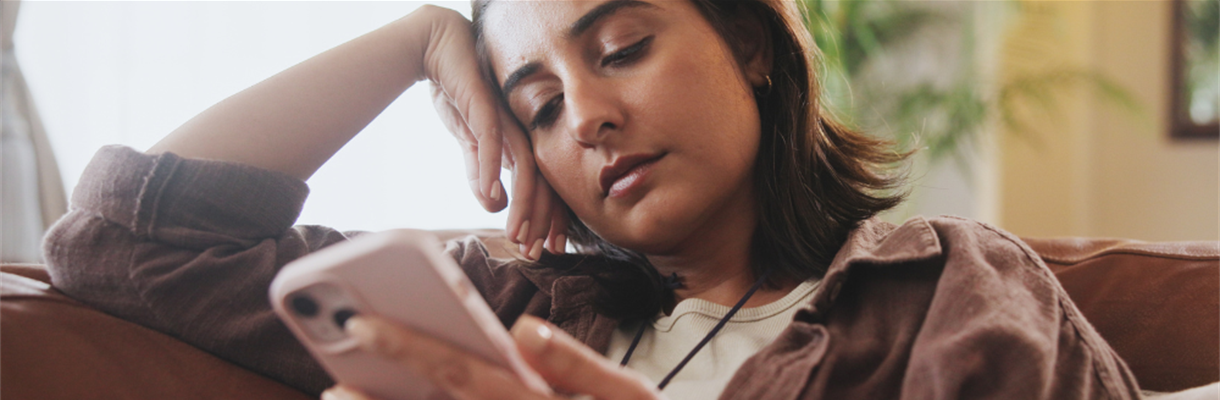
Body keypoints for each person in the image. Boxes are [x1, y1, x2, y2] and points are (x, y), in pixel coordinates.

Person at [43, 1, 1144, 399]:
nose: (587, 116)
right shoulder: (497, 313)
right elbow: (120, 240)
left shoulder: (944, 287)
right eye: (534, 104)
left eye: (620, 47)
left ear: (750, 42)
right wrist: (412, 41)